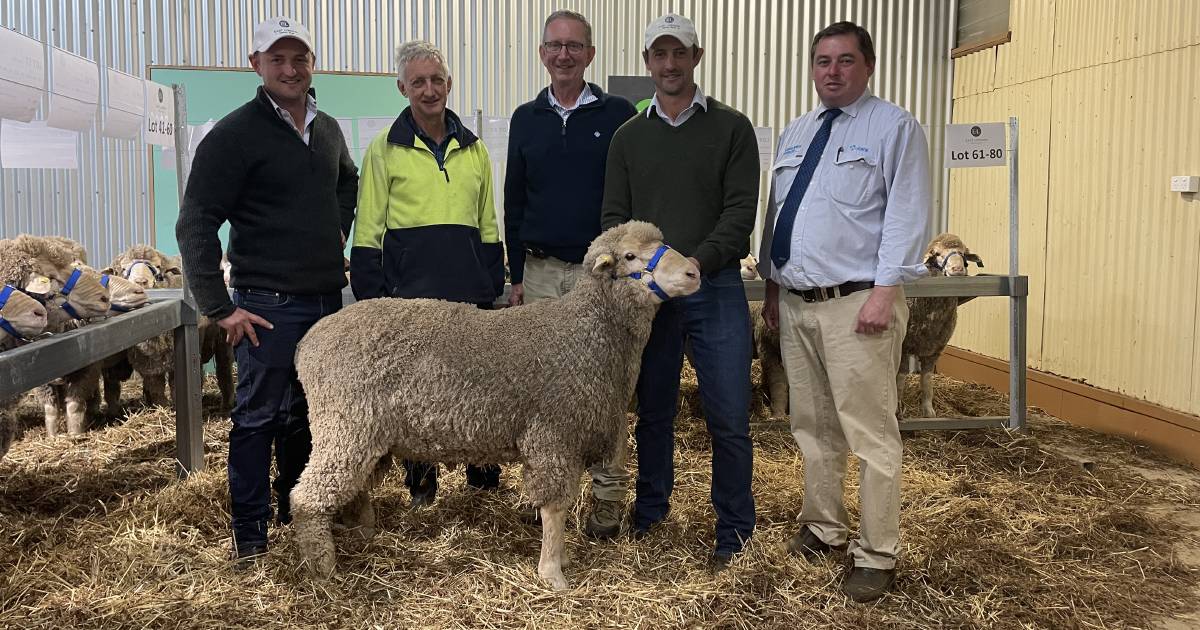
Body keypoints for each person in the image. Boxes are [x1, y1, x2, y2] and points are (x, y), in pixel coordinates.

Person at [756, 21, 930, 602]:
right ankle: (824, 526)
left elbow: (906, 214)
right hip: (801, 305)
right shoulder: (798, 132)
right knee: (812, 425)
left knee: (870, 431)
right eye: (823, 61)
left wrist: (885, 291)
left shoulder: (894, 128)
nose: (832, 71)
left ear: (868, 65)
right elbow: (778, 211)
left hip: (859, 305)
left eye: (845, 60)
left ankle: (877, 552)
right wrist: (774, 287)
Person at [175, 17, 358, 566]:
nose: (290, 68)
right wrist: (218, 307)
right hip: (268, 305)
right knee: (258, 416)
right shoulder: (233, 135)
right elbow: (195, 223)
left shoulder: (325, 128)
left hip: (327, 299)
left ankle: (295, 514)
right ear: (254, 65)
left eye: (298, 57)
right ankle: (250, 537)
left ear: (311, 63)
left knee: (309, 414)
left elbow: (346, 179)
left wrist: (334, 233)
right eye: (276, 58)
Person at [601, 13, 757, 572]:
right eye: (658, 55)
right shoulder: (628, 137)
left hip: (713, 290)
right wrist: (650, 277)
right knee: (654, 411)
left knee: (729, 416)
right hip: (651, 303)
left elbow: (740, 214)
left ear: (697, 57)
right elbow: (616, 222)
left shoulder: (732, 129)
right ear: (647, 64)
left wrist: (698, 262)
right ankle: (650, 514)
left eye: (679, 53)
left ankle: (735, 529)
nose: (669, 64)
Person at [350, 40, 505, 506]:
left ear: (449, 84)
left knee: (480, 392)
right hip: (410, 299)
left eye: (437, 79)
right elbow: (369, 222)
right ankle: (422, 488)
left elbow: (487, 219)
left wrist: (492, 279)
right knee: (417, 397)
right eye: (418, 81)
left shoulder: (474, 149)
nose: (429, 89)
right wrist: (372, 292)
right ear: (403, 88)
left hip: (468, 295)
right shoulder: (384, 149)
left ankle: (483, 488)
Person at [503, 9, 637, 538]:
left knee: (605, 394)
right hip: (538, 273)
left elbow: (627, 200)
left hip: (599, 282)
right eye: (555, 46)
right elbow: (515, 200)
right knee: (539, 395)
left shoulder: (619, 113)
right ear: (542, 54)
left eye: (574, 46)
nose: (564, 54)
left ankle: (606, 499)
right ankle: (547, 498)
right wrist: (515, 275)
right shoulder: (525, 118)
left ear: (590, 54)